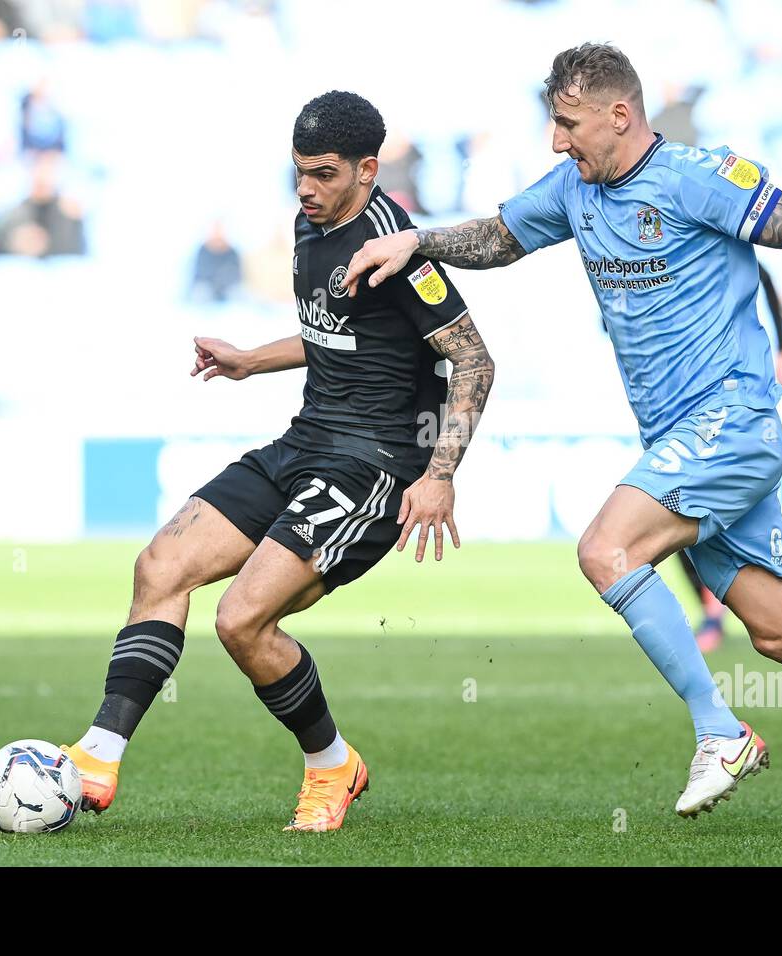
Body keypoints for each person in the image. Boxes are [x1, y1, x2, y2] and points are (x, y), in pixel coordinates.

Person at [343, 43, 782, 830]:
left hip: (732, 422)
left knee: (603, 550)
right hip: (679, 440)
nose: (557, 141)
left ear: (620, 116)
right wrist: (419, 241)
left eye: (567, 124)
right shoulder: (575, 190)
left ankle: (720, 730)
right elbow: (501, 238)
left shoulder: (697, 176)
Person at [61, 91, 495, 833]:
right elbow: (332, 335)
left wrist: (439, 475)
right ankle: (98, 753)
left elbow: (474, 360)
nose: (306, 189)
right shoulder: (309, 223)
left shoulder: (396, 247)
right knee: (159, 567)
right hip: (302, 443)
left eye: (323, 175)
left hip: (374, 467)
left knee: (241, 621)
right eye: (298, 172)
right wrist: (248, 360)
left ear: (367, 169)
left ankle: (332, 766)